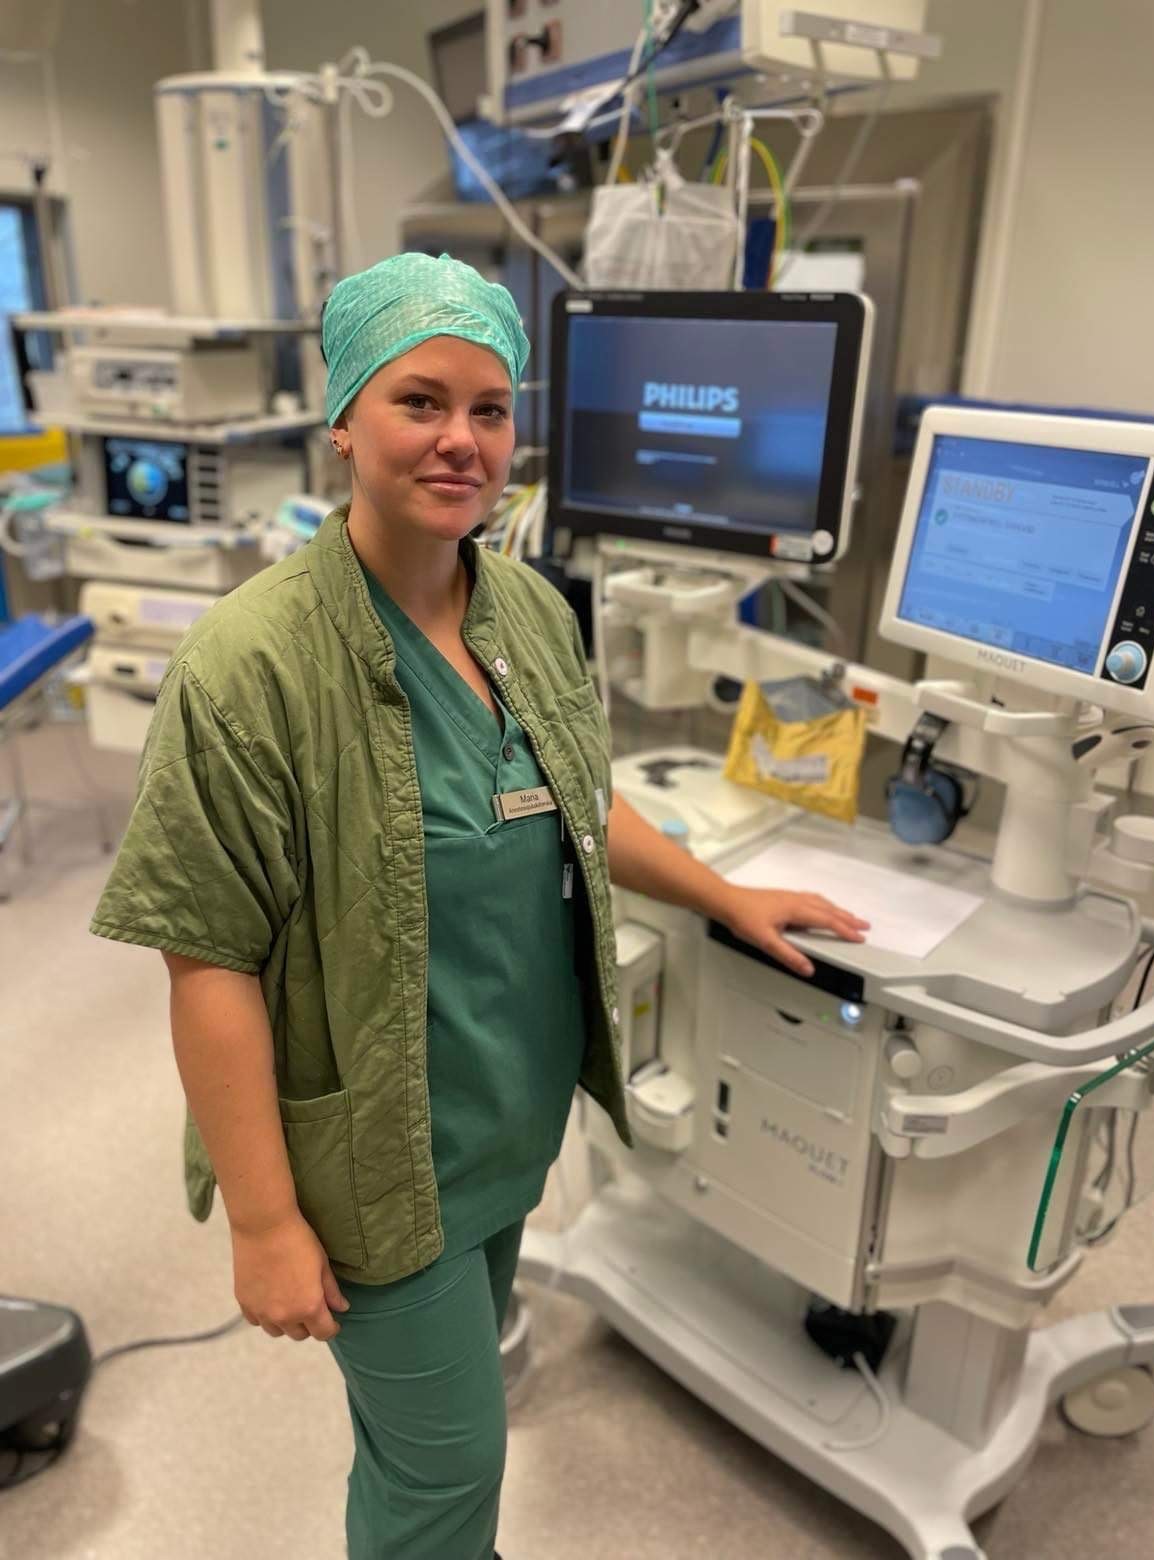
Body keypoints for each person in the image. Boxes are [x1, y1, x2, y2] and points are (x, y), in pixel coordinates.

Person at [90, 252, 868, 1560]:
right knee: (449, 1474)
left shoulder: (528, 613)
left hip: (505, 1121)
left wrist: (725, 896)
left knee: (425, 1463)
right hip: (374, 1163)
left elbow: (579, 802)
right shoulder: (250, 666)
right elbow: (206, 960)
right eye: (420, 401)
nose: (462, 439)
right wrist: (266, 1223)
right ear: (344, 420)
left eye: (490, 409)